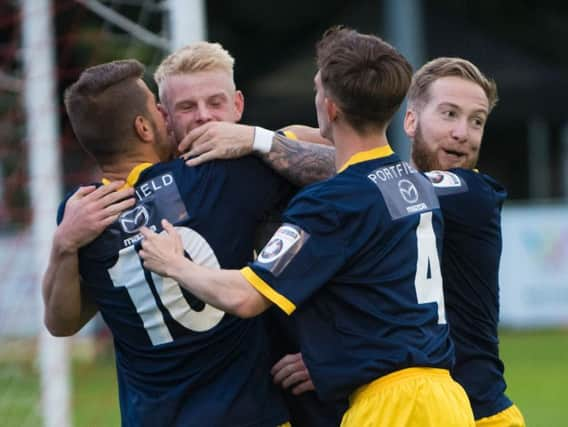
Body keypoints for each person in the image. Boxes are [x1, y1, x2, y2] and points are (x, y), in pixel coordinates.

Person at [138, 26, 475, 426]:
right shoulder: (411, 181)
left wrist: (176, 263)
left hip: (391, 407)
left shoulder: (332, 202)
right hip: (446, 398)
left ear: (330, 107)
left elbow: (246, 297)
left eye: (317, 89)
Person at [42, 58, 294, 427]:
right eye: (157, 109)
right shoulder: (218, 175)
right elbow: (338, 158)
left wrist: (62, 244)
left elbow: (61, 324)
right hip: (246, 414)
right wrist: (255, 137)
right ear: (143, 127)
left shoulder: (81, 214)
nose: (165, 114)